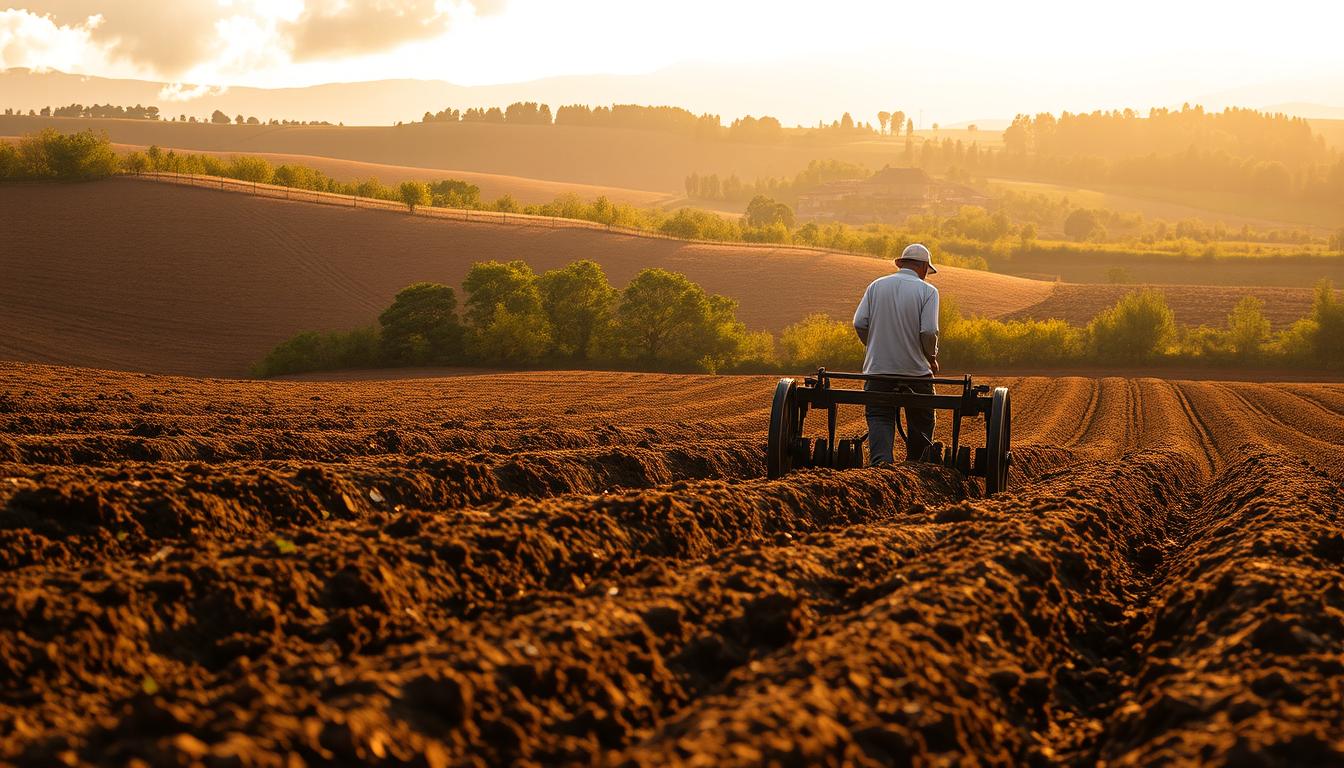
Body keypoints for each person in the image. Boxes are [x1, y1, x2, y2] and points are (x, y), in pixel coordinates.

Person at [852, 243, 940, 465]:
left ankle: (881, 465)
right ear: (922, 267)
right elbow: (928, 331)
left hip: (878, 371)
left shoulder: (876, 286)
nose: (926, 276)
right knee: (921, 418)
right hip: (916, 373)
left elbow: (859, 322)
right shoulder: (927, 291)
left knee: (879, 416)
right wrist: (931, 358)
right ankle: (916, 465)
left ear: (902, 263)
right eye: (927, 271)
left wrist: (874, 346)